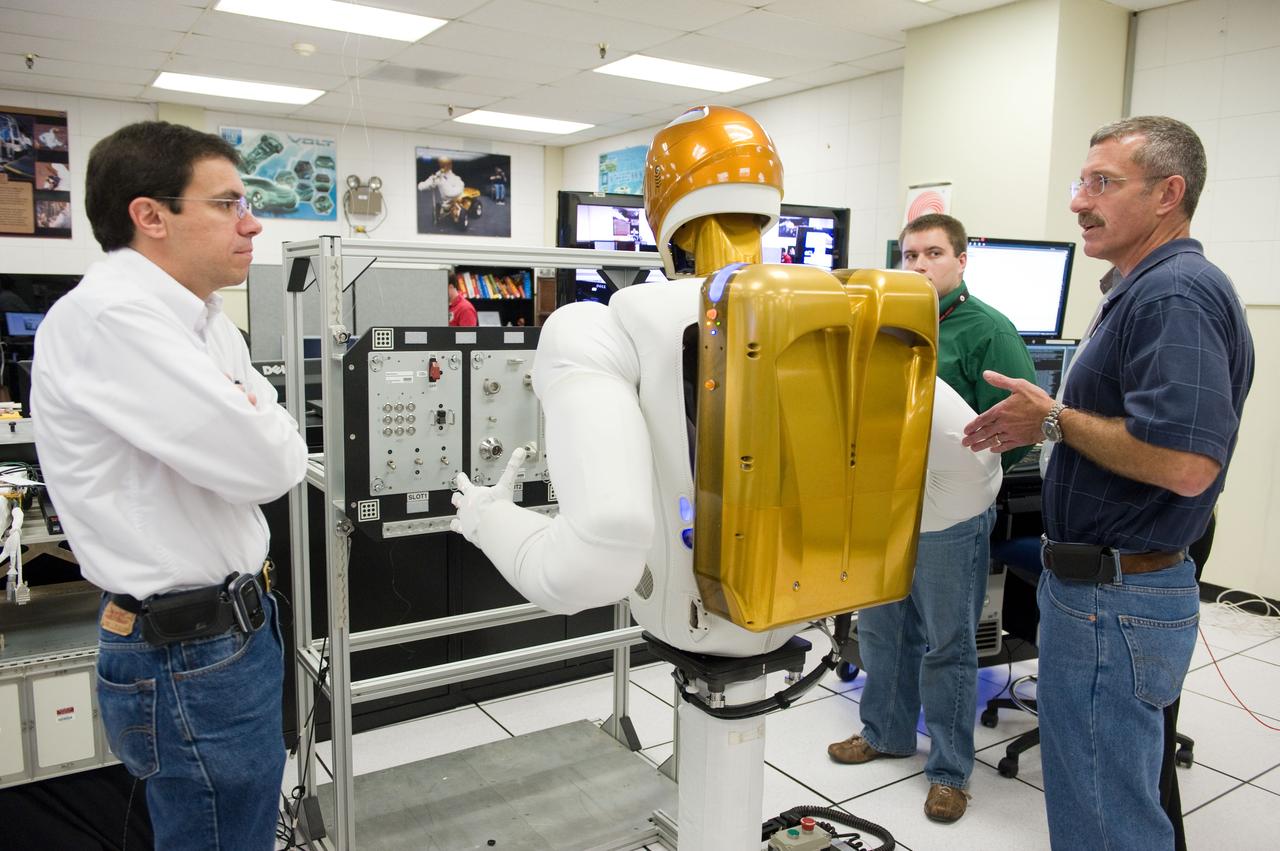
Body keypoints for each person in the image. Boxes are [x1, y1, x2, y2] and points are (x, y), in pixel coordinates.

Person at [448, 105, 1001, 849]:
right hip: (798, 604)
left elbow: (602, 544)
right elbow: (970, 469)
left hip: (689, 610)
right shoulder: (849, 317)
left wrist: (488, 517)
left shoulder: (600, 325)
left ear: (659, 212)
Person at [962, 116, 1254, 849]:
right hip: (1104, 593)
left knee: (1105, 814)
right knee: (1103, 794)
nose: (1078, 201)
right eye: (1079, 182)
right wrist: (1049, 423)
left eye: (1103, 183)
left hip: (1114, 601)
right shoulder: (1142, 288)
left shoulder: (1173, 295)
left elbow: (1187, 463)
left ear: (1168, 194)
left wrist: (1053, 418)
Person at [30, 120, 308, 850]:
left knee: (238, 827)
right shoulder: (109, 317)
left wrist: (258, 418)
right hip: (186, 655)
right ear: (150, 215)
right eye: (225, 204)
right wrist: (257, 418)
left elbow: (276, 437)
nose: (250, 223)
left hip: (234, 635)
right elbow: (273, 464)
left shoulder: (205, 320)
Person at [827, 213, 1036, 824]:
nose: (919, 266)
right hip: (887, 503)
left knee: (948, 643)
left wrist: (977, 475)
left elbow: (1019, 423)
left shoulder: (986, 329)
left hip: (953, 509)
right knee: (885, 626)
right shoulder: (887, 321)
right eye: (910, 255)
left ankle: (949, 771)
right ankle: (886, 732)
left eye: (933, 254)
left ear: (962, 260)